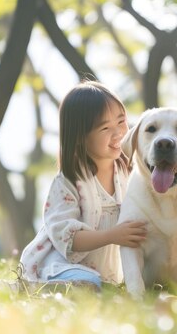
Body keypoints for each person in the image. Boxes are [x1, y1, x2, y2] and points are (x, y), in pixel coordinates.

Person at [20, 80, 147, 290]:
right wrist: (112, 235)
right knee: (87, 283)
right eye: (105, 128)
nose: (118, 133)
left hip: (107, 272)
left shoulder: (130, 172)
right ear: (81, 138)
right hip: (63, 265)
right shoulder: (69, 181)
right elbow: (67, 236)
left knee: (105, 287)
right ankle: (31, 288)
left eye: (121, 121)